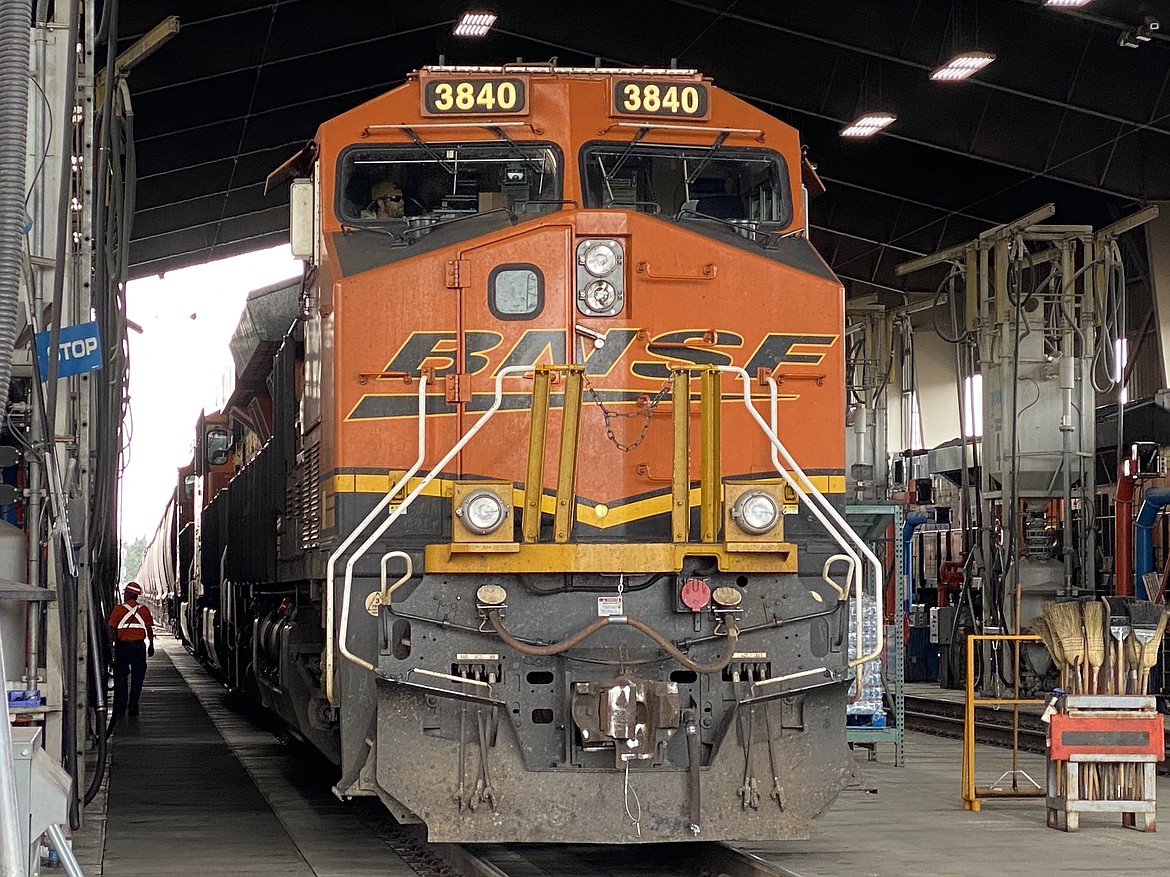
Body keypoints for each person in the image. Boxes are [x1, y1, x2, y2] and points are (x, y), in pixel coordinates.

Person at [107, 581, 155, 721]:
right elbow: (149, 629)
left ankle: (121, 706)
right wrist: (151, 645)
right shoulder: (144, 609)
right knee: (137, 678)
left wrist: (111, 647)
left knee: (121, 677)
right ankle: (133, 706)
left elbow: (111, 628)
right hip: (139, 648)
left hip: (122, 647)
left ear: (128, 594)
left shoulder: (118, 609)